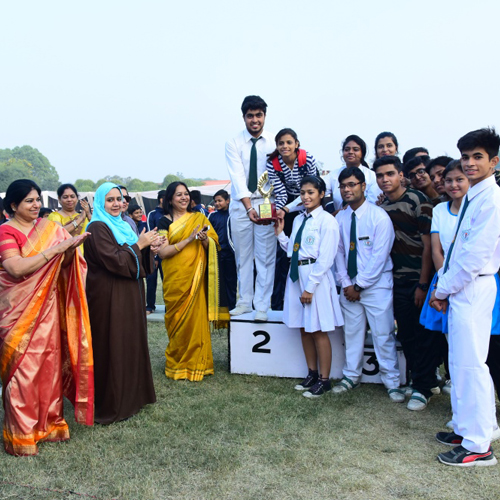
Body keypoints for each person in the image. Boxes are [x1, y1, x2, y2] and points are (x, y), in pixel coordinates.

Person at [0, 179, 94, 456]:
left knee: (48, 366)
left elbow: (64, 266)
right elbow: (16, 268)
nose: (36, 205)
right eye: (29, 201)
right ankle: (22, 433)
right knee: (22, 371)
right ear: (13, 205)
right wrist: (56, 249)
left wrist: (70, 249)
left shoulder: (50, 229)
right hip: (17, 311)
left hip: (47, 308)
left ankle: (51, 425)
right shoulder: (6, 231)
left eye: (38, 200)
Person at [430, 128, 500, 467]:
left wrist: (442, 289)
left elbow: (472, 258)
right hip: (460, 286)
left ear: (494, 161)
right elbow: (457, 251)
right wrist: (445, 287)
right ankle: (464, 428)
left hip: (474, 285)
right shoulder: (475, 195)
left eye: (478, 157)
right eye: (466, 157)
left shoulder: (492, 199)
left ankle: (479, 445)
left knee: (472, 365)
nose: (470, 163)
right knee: (459, 362)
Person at [84, 182, 158, 424]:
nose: (116, 204)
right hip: (109, 295)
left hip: (130, 291)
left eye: (119, 199)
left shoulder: (123, 226)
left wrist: (150, 249)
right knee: (114, 343)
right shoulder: (97, 227)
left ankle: (134, 397)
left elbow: (134, 256)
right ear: (100, 203)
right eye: (110, 200)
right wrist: (140, 245)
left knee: (130, 341)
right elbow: (115, 261)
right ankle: (114, 403)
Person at [374, 155, 442, 411]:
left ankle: (424, 386)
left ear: (400, 175)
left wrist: (423, 285)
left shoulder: (418, 200)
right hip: (396, 280)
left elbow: (429, 247)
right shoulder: (381, 207)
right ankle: (422, 381)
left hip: (419, 279)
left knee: (424, 334)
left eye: (390, 174)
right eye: (380, 176)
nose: (385, 179)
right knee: (407, 334)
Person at [333, 167, 403, 402]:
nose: (347, 189)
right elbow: (338, 254)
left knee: (383, 334)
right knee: (352, 333)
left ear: (363, 186)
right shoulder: (340, 218)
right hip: (349, 288)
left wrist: (359, 285)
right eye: (343, 186)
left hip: (376, 286)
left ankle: (392, 381)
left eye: (352, 184)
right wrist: (346, 283)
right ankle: (351, 376)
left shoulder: (378, 217)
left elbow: (379, 257)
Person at [275, 175, 343, 398]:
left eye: (311, 192)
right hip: (297, 275)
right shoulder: (298, 220)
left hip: (316, 277)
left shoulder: (327, 221)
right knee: (304, 327)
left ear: (321, 194)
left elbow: (326, 257)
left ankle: (325, 379)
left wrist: (311, 287)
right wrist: (280, 235)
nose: (306, 197)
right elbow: (293, 251)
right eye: (303, 193)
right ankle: (312, 373)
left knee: (318, 329)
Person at [157, 182, 228, 381]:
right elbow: (163, 252)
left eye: (186, 194)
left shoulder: (199, 218)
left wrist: (203, 238)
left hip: (195, 281)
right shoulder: (164, 221)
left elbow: (213, 245)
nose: (184, 198)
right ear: (170, 199)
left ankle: (198, 364)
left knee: (196, 320)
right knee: (176, 321)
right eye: (178, 195)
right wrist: (189, 239)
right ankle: (178, 363)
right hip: (175, 280)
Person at [225, 95, 276, 322]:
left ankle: (262, 305)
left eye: (258, 115)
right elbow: (237, 177)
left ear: (264, 116)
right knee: (243, 256)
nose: (255, 120)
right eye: (250, 116)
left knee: (265, 256)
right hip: (241, 204)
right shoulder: (233, 143)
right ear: (243, 117)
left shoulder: (274, 142)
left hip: (266, 203)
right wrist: (248, 208)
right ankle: (244, 302)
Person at [265, 128, 318, 310]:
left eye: (289, 142)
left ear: (297, 144)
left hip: (310, 198)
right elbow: (280, 193)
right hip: (288, 203)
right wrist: (280, 211)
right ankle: (280, 302)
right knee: (284, 253)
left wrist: (288, 208)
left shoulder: (307, 158)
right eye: (281, 143)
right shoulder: (273, 163)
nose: (285, 146)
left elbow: (311, 188)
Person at [327, 134, 382, 212]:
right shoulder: (333, 175)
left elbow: (372, 203)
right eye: (347, 149)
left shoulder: (372, 176)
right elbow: (318, 191)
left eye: (355, 149)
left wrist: (347, 210)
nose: (350, 152)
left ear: (362, 153)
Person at [208, 189, 237, 311]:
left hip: (231, 254)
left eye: (220, 201)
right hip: (217, 254)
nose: (217, 204)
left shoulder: (233, 214)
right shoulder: (212, 216)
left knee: (231, 282)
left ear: (227, 201)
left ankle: (232, 307)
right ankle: (220, 308)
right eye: (215, 201)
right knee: (219, 282)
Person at [146, 190, 166, 315]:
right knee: (151, 280)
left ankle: (168, 306)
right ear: (161, 199)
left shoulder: (171, 214)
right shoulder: (152, 214)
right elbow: (150, 234)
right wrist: (155, 256)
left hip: (167, 253)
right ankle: (150, 306)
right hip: (153, 253)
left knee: (167, 281)